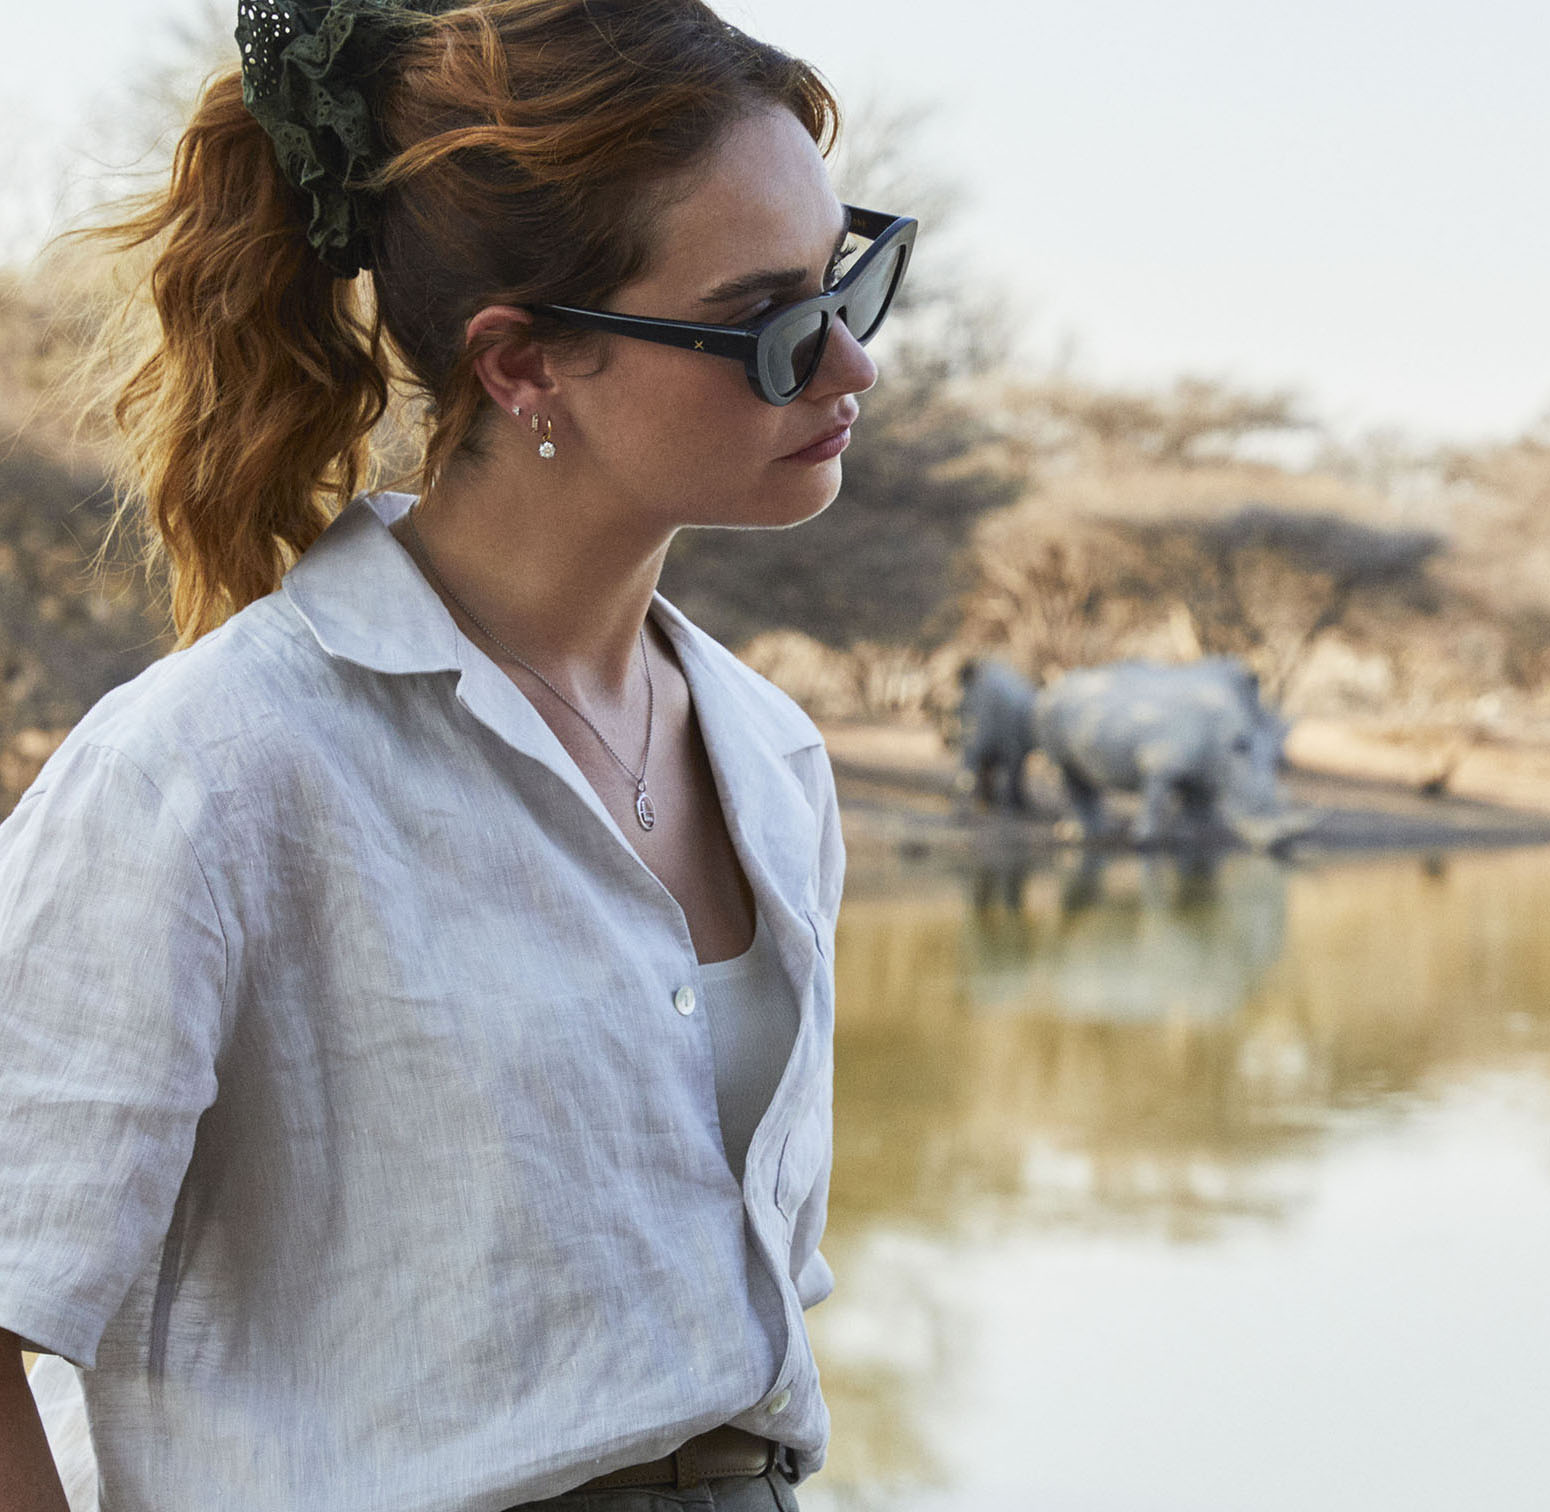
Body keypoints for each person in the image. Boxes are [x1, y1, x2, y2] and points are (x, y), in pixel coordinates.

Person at [0, 0, 909, 1505]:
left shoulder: (769, 753)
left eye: (848, 279)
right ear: (521, 365)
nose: (850, 369)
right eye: (769, 322)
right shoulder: (212, 769)